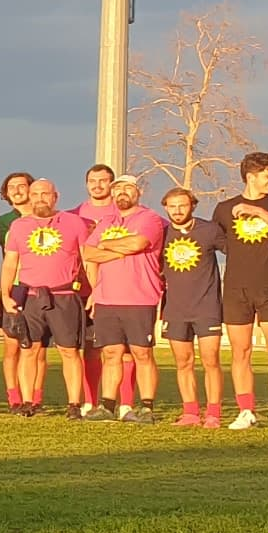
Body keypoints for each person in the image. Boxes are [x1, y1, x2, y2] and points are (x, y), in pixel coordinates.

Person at [213, 151, 268, 433]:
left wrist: (260, 211)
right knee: (240, 351)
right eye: (267, 175)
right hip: (237, 289)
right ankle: (246, 411)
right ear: (251, 176)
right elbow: (217, 244)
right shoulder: (224, 208)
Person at [0, 179, 91, 420]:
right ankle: (28, 402)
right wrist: (6, 296)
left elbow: (88, 259)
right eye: (35, 194)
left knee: (69, 351)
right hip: (30, 297)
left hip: (64, 296)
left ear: (55, 196)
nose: (40, 198)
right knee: (30, 349)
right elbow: (10, 263)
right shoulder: (19, 226)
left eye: (45, 194)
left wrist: (97, 291)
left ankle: (74, 405)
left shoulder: (73, 223)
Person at [82, 176, 166, 422]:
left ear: (138, 191)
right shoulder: (107, 220)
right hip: (107, 297)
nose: (121, 192)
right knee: (111, 352)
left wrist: (107, 245)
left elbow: (139, 243)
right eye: (117, 188)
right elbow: (88, 252)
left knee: (142, 353)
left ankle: (146, 407)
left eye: (127, 187)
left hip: (140, 297)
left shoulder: (149, 218)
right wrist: (119, 251)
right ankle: (108, 406)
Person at [156, 186, 227, 428]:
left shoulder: (209, 230)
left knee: (210, 360)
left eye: (182, 205)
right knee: (183, 361)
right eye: (172, 206)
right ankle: (190, 413)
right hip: (175, 309)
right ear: (165, 207)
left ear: (193, 206)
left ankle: (214, 413)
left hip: (207, 307)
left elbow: (238, 254)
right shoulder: (161, 233)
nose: (177, 211)